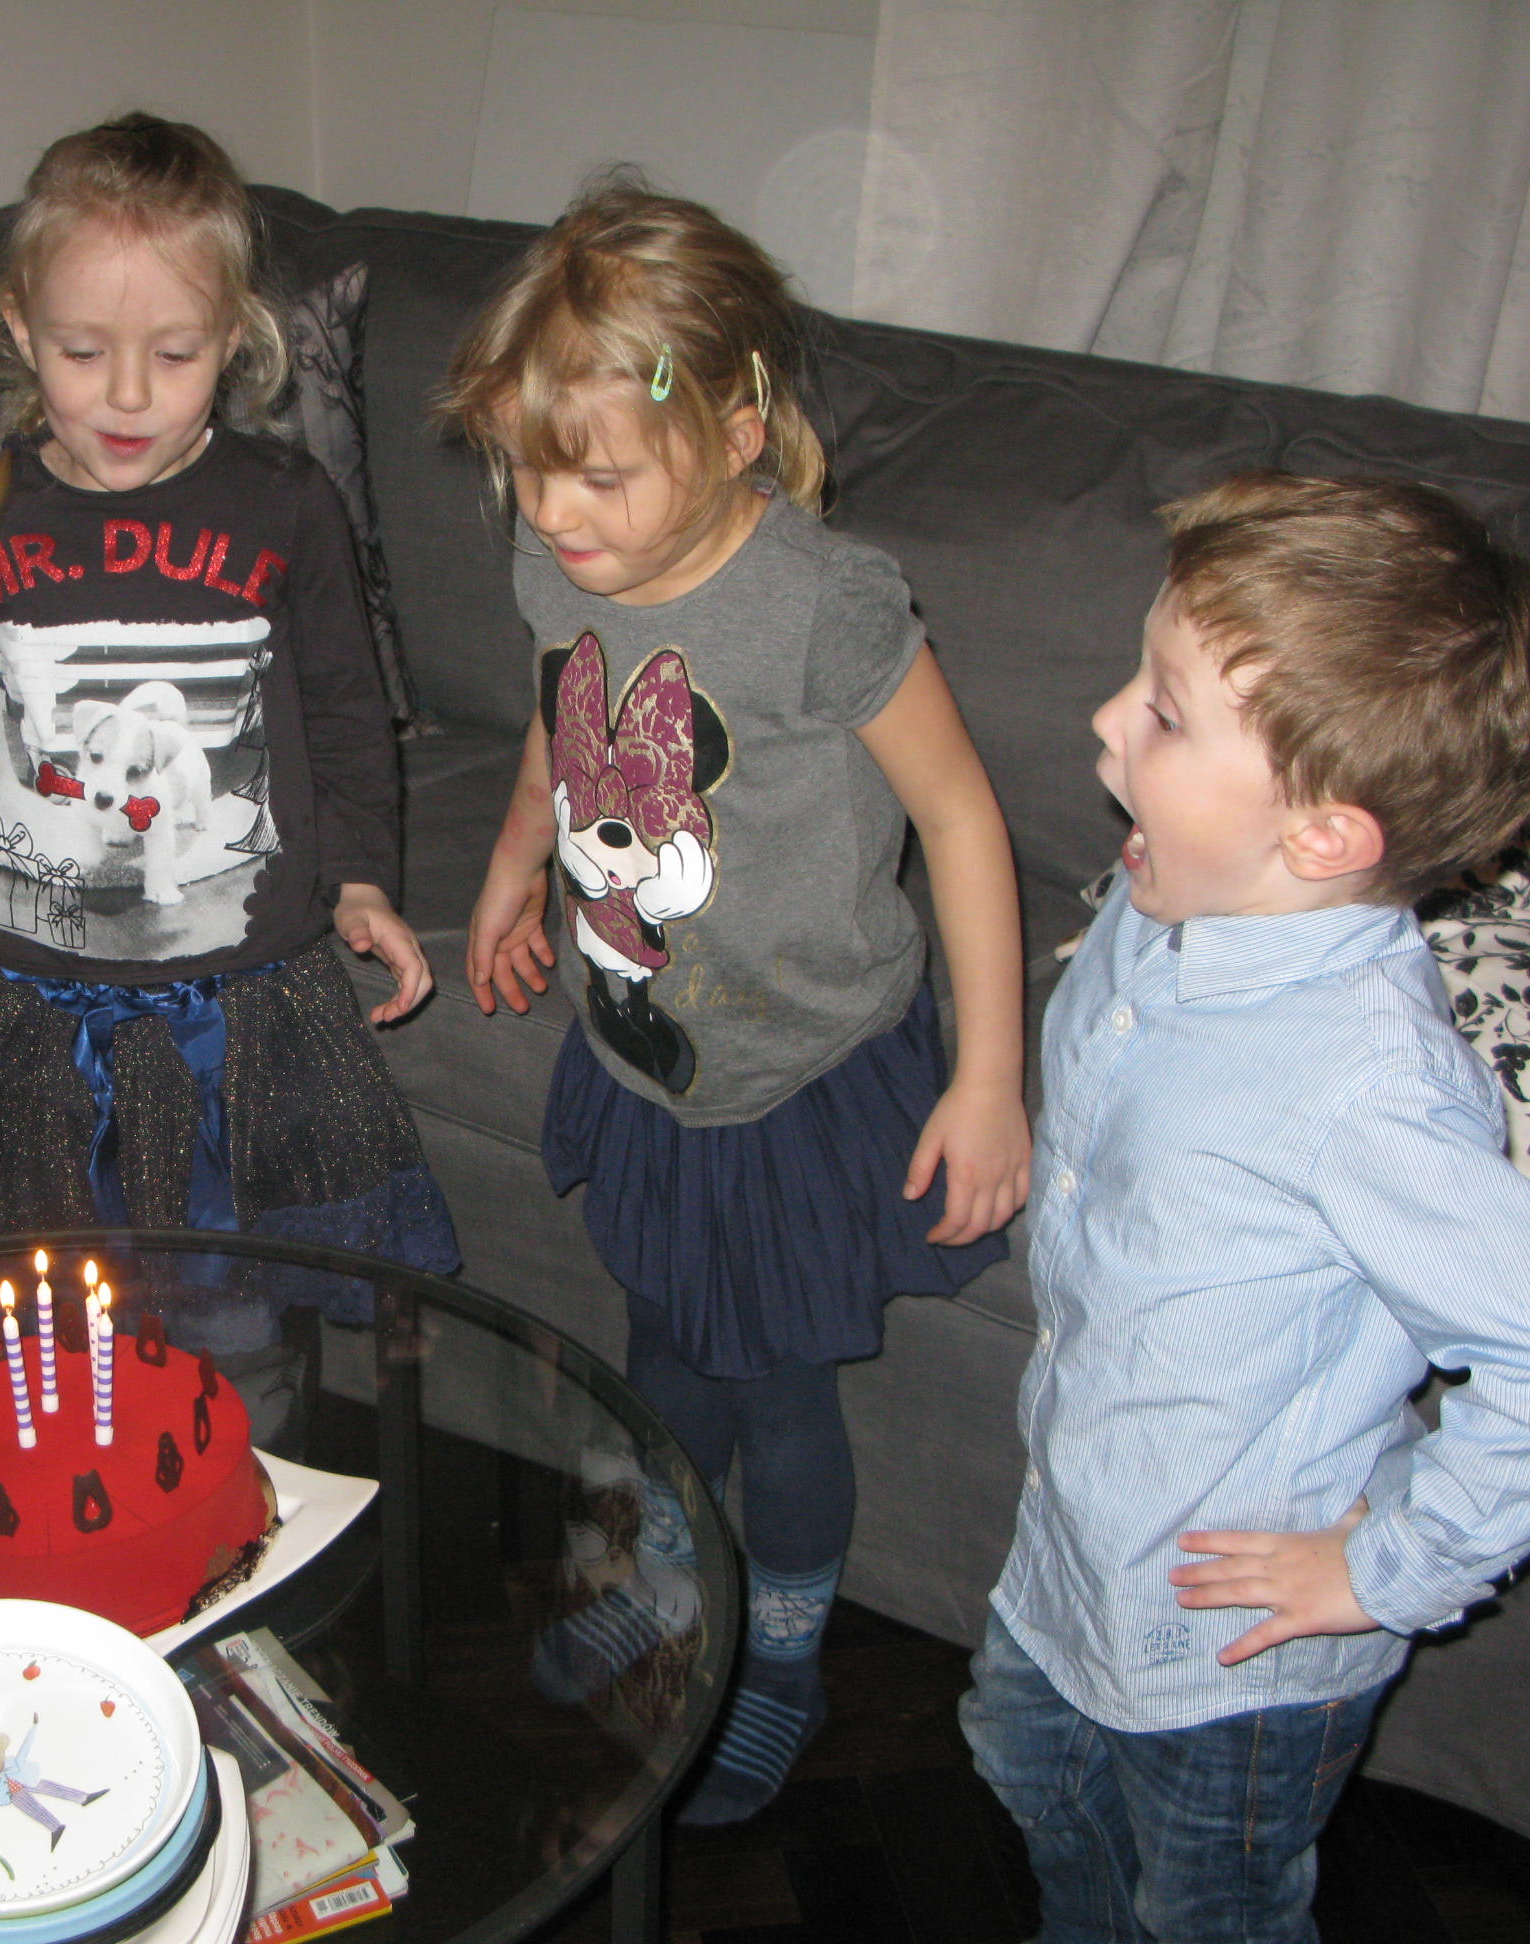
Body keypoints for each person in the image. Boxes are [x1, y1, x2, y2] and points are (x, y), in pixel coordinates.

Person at [441, 174, 1031, 1823]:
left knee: (775, 1395)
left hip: (799, 1076)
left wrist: (988, 1079)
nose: (555, 511)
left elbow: (962, 818)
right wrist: (511, 871)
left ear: (737, 431)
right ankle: (666, 1585)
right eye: (528, 467)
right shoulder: (562, 557)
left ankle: (780, 1657)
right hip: (647, 1054)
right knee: (663, 1353)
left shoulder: (822, 604)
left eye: (600, 474)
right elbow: (560, 718)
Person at [968, 472, 1530, 1943]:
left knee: (1209, 1903)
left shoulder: (1370, 1093)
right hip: (1084, 1533)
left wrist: (1384, 1569)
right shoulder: (1166, 901)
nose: (1105, 721)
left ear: (1323, 837)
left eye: (1164, 713)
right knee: (1022, 1764)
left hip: (1240, 1650)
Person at [0, 113, 457, 1304]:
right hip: (30, 1011)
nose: (127, 395)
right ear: (20, 329)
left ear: (232, 338)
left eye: (175, 355)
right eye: (82, 352)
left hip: (249, 1007)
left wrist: (362, 880)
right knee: (46, 1331)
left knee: (242, 1327)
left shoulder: (288, 502)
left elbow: (347, 709)